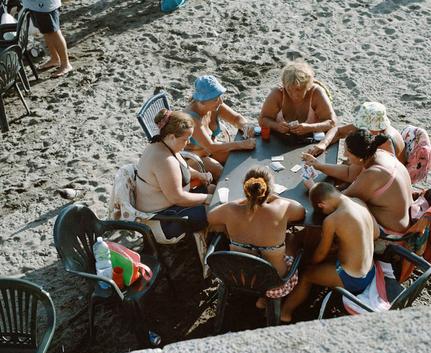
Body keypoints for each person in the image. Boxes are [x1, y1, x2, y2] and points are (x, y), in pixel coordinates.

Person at [280, 182, 379, 323]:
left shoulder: (332, 220)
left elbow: (320, 254)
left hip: (354, 279)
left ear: (322, 205)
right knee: (329, 256)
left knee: (307, 274)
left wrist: (306, 263)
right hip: (370, 270)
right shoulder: (358, 202)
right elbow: (376, 233)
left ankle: (285, 313)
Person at [207, 166, 305, 307]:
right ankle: (267, 299)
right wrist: (276, 197)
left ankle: (258, 297)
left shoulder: (230, 209)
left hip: (238, 276)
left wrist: (241, 201)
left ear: (245, 188)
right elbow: (301, 212)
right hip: (275, 283)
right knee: (292, 238)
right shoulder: (282, 206)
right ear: (268, 189)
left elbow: (210, 217)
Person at [302, 129, 412, 234]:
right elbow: (349, 172)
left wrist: (313, 187)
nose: (344, 155)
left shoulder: (372, 175)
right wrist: (319, 165)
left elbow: (336, 202)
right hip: (405, 216)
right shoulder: (378, 153)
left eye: (348, 154)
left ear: (359, 158)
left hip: (390, 230)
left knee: (336, 209)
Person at [135, 109, 214, 238]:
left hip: (171, 205)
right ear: (172, 136)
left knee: (213, 190)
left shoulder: (164, 144)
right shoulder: (164, 160)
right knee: (217, 211)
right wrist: (207, 199)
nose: (188, 143)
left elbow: (182, 168)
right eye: (186, 139)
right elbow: (178, 197)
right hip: (162, 219)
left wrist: (200, 175)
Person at [184, 75, 256, 180]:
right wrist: (241, 144)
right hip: (193, 159)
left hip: (211, 152)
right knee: (220, 171)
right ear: (202, 101)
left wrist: (245, 127)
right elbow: (210, 147)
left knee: (241, 156)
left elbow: (236, 118)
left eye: (220, 96)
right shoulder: (191, 118)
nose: (221, 101)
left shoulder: (214, 105)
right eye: (216, 99)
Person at [259, 61, 336, 137]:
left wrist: (310, 128)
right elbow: (262, 120)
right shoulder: (278, 93)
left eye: (298, 89)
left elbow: (332, 123)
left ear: (308, 85)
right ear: (284, 84)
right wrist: (277, 126)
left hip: (312, 143)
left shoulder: (316, 93)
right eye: (289, 89)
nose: (294, 95)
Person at [307, 101, 405, 162]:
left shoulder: (385, 142)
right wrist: (323, 144)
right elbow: (337, 130)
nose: (361, 130)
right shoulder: (369, 129)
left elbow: (380, 172)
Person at [22, 0, 72, 78]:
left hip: (44, 5)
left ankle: (65, 64)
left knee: (54, 32)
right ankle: (55, 58)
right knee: (46, 31)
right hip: (35, 5)